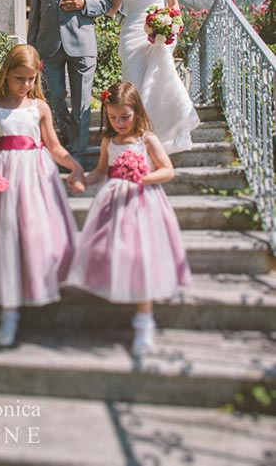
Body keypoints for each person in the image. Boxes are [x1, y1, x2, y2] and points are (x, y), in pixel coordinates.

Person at [0, 44, 84, 347]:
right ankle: (8, 313)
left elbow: (54, 147)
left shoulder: (39, 109)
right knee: (6, 239)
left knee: (34, 236)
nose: (26, 85)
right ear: (6, 74)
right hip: (3, 180)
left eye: (32, 79)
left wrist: (74, 165)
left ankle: (39, 289)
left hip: (36, 181)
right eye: (20, 78)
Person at [66, 82, 191, 356]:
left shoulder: (147, 139)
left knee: (142, 256)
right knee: (116, 253)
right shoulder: (109, 141)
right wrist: (84, 182)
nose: (119, 123)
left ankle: (144, 320)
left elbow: (167, 170)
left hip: (143, 203)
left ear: (136, 111)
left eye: (125, 117)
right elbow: (102, 171)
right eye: (112, 117)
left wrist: (142, 177)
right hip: (113, 203)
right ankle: (117, 292)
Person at [109, 0, 199, 154]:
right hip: (131, 35)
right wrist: (90, 1)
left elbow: (174, 5)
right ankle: (137, 136)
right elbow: (113, 9)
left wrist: (171, 26)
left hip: (159, 36)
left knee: (159, 81)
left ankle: (162, 134)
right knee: (135, 84)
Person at [27, 0, 112, 155]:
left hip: (82, 45)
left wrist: (85, 3)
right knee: (54, 98)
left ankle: (79, 151)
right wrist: (30, 50)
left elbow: (106, 2)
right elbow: (35, 13)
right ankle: (65, 139)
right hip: (48, 46)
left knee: (82, 102)